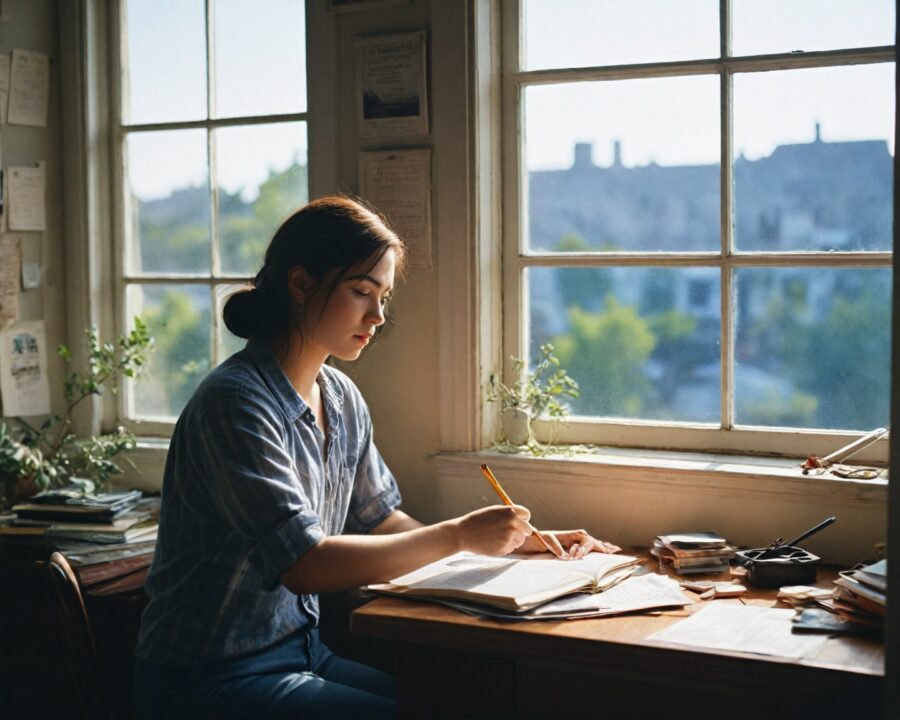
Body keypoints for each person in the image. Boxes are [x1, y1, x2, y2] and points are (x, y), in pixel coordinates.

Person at [133, 196, 619, 719]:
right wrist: (458, 535)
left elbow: (381, 519)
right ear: (300, 285)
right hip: (207, 679)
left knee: (464, 703)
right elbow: (303, 564)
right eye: (362, 292)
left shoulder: (340, 397)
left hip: (303, 654)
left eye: (383, 296)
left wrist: (513, 546)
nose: (378, 315)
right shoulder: (235, 404)